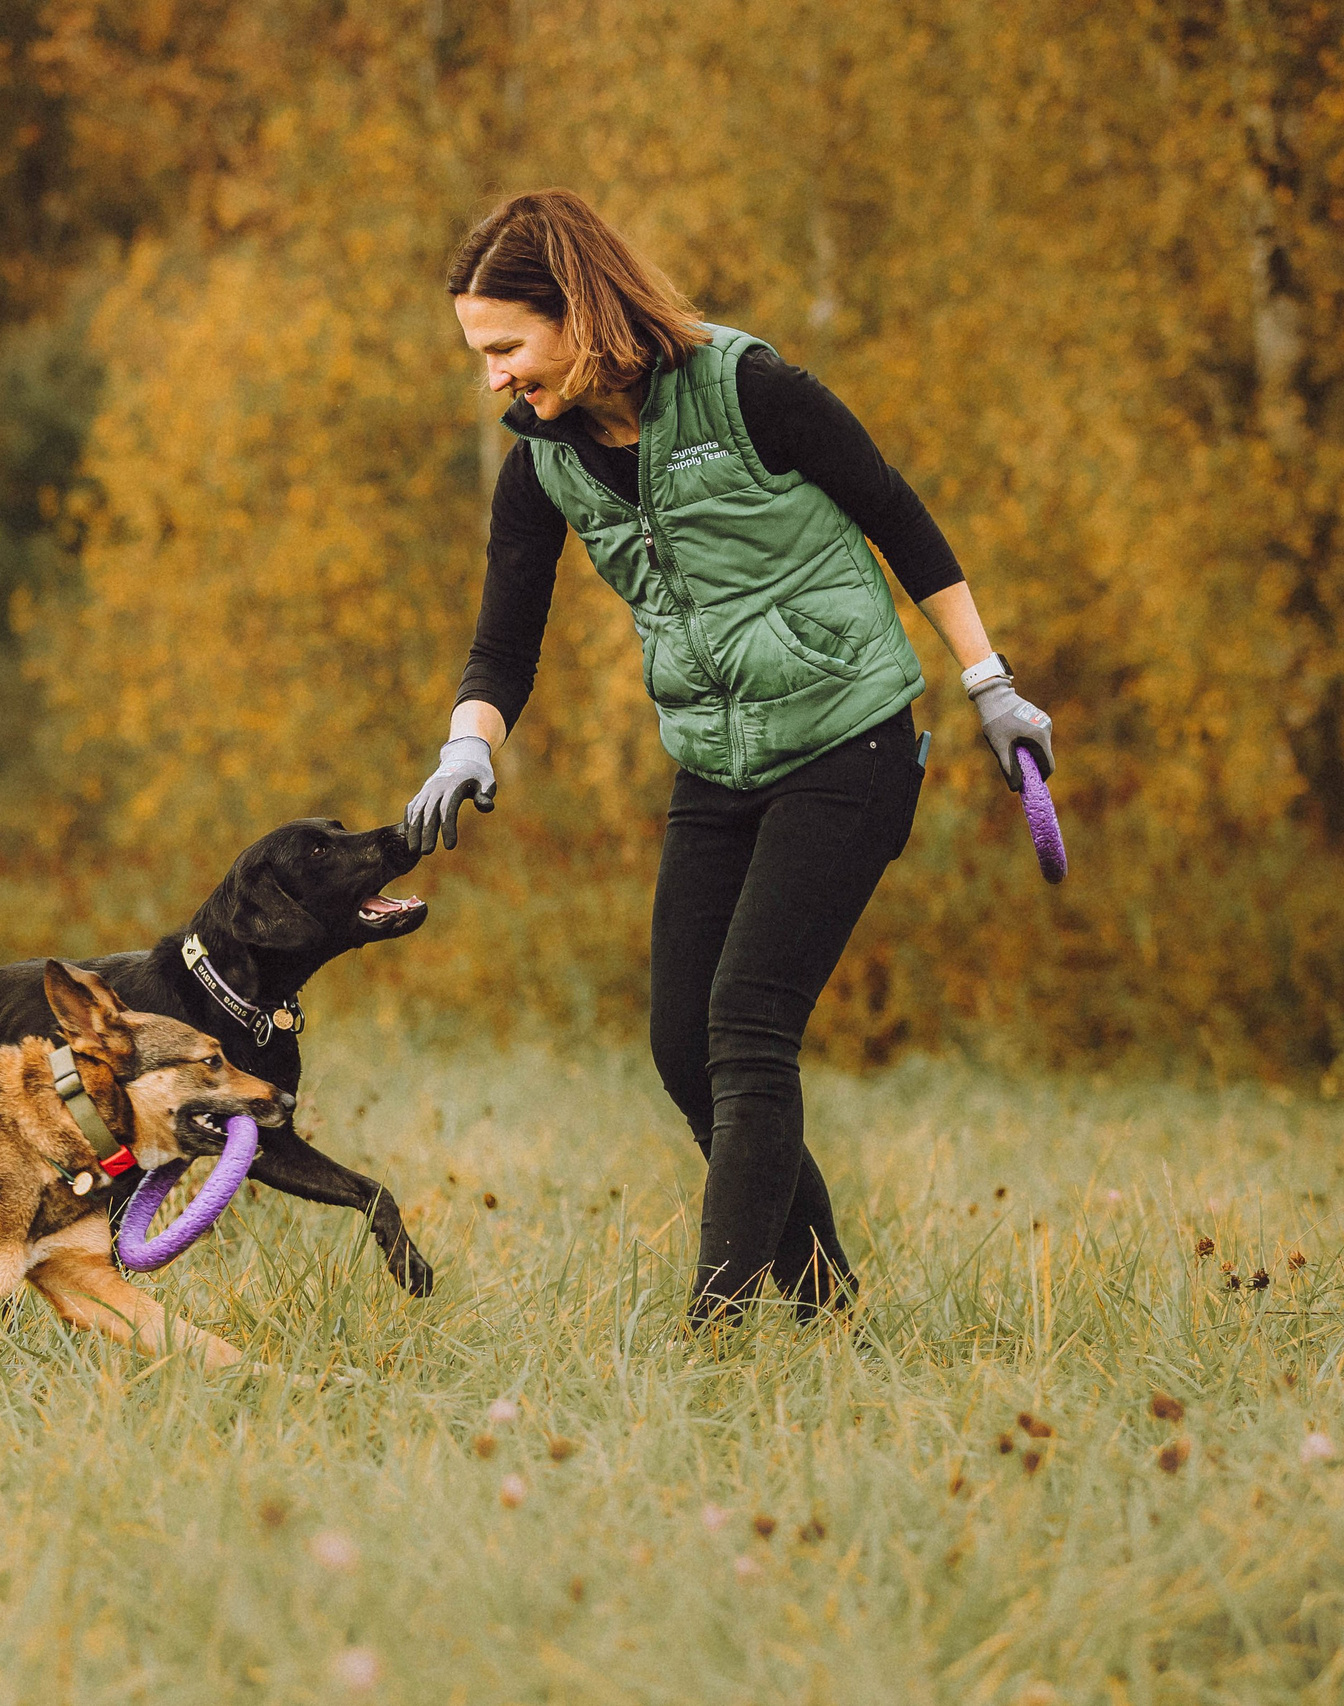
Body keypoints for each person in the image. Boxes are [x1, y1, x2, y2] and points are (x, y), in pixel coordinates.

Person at [402, 189, 1054, 1326]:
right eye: (480, 354)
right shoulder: (541, 463)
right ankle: (826, 1300)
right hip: (717, 757)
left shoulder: (748, 388)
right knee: (678, 1045)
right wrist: (466, 744)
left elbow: (897, 517)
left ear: (578, 312)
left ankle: (714, 1327)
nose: (494, 376)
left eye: (506, 347)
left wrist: (987, 683)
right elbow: (504, 643)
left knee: (748, 1026)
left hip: (847, 739)